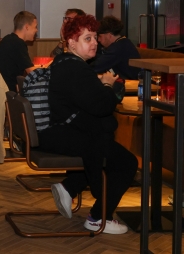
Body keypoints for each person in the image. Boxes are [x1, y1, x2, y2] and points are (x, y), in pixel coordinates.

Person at [40, 15, 137, 235]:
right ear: (72, 43)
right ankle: (98, 217)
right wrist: (108, 86)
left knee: (102, 145)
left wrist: (101, 86)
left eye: (95, 37)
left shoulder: (65, 63)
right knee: (126, 163)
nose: (94, 42)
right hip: (64, 134)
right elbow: (101, 106)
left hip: (59, 130)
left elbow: (89, 103)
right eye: (87, 38)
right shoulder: (75, 69)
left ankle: (69, 187)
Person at [0, 11, 37, 92]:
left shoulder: (8, 39)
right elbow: (32, 72)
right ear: (27, 27)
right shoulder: (18, 43)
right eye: (35, 27)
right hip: (9, 94)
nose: (36, 30)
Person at [90, 15, 140, 79]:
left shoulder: (117, 48)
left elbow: (96, 66)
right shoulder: (123, 43)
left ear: (109, 35)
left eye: (100, 36)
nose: (98, 40)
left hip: (131, 85)